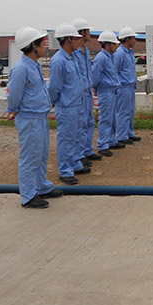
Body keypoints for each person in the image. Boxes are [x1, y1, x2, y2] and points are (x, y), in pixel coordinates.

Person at [7, 27, 62, 208]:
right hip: (29, 118)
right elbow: (14, 94)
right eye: (42, 44)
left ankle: (41, 186)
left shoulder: (34, 66)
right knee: (30, 157)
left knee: (41, 154)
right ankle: (28, 195)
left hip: (39, 116)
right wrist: (13, 108)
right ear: (33, 47)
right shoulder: (21, 69)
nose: (45, 47)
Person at [48, 23, 86, 185]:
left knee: (76, 136)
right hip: (66, 106)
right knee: (66, 139)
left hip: (77, 104)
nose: (79, 41)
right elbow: (54, 87)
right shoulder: (58, 61)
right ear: (67, 40)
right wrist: (54, 102)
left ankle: (75, 163)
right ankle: (65, 170)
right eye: (76, 39)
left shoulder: (72, 58)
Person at [71, 17, 103, 165]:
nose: (90, 33)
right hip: (79, 93)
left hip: (87, 91)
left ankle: (87, 150)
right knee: (81, 124)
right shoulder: (75, 52)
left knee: (89, 122)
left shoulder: (85, 51)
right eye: (88, 31)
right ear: (81, 33)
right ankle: (80, 153)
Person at [92, 31, 123, 157]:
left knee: (112, 118)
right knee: (106, 118)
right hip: (105, 91)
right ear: (107, 44)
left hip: (112, 90)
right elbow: (95, 77)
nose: (116, 46)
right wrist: (97, 89)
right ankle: (103, 144)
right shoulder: (101, 58)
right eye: (114, 44)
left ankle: (110, 140)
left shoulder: (110, 57)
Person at [114, 26, 141, 144]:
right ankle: (121, 136)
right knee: (123, 112)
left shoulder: (129, 52)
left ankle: (129, 133)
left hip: (130, 86)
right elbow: (115, 70)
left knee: (130, 111)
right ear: (127, 39)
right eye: (133, 38)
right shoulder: (119, 53)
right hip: (123, 86)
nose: (135, 40)